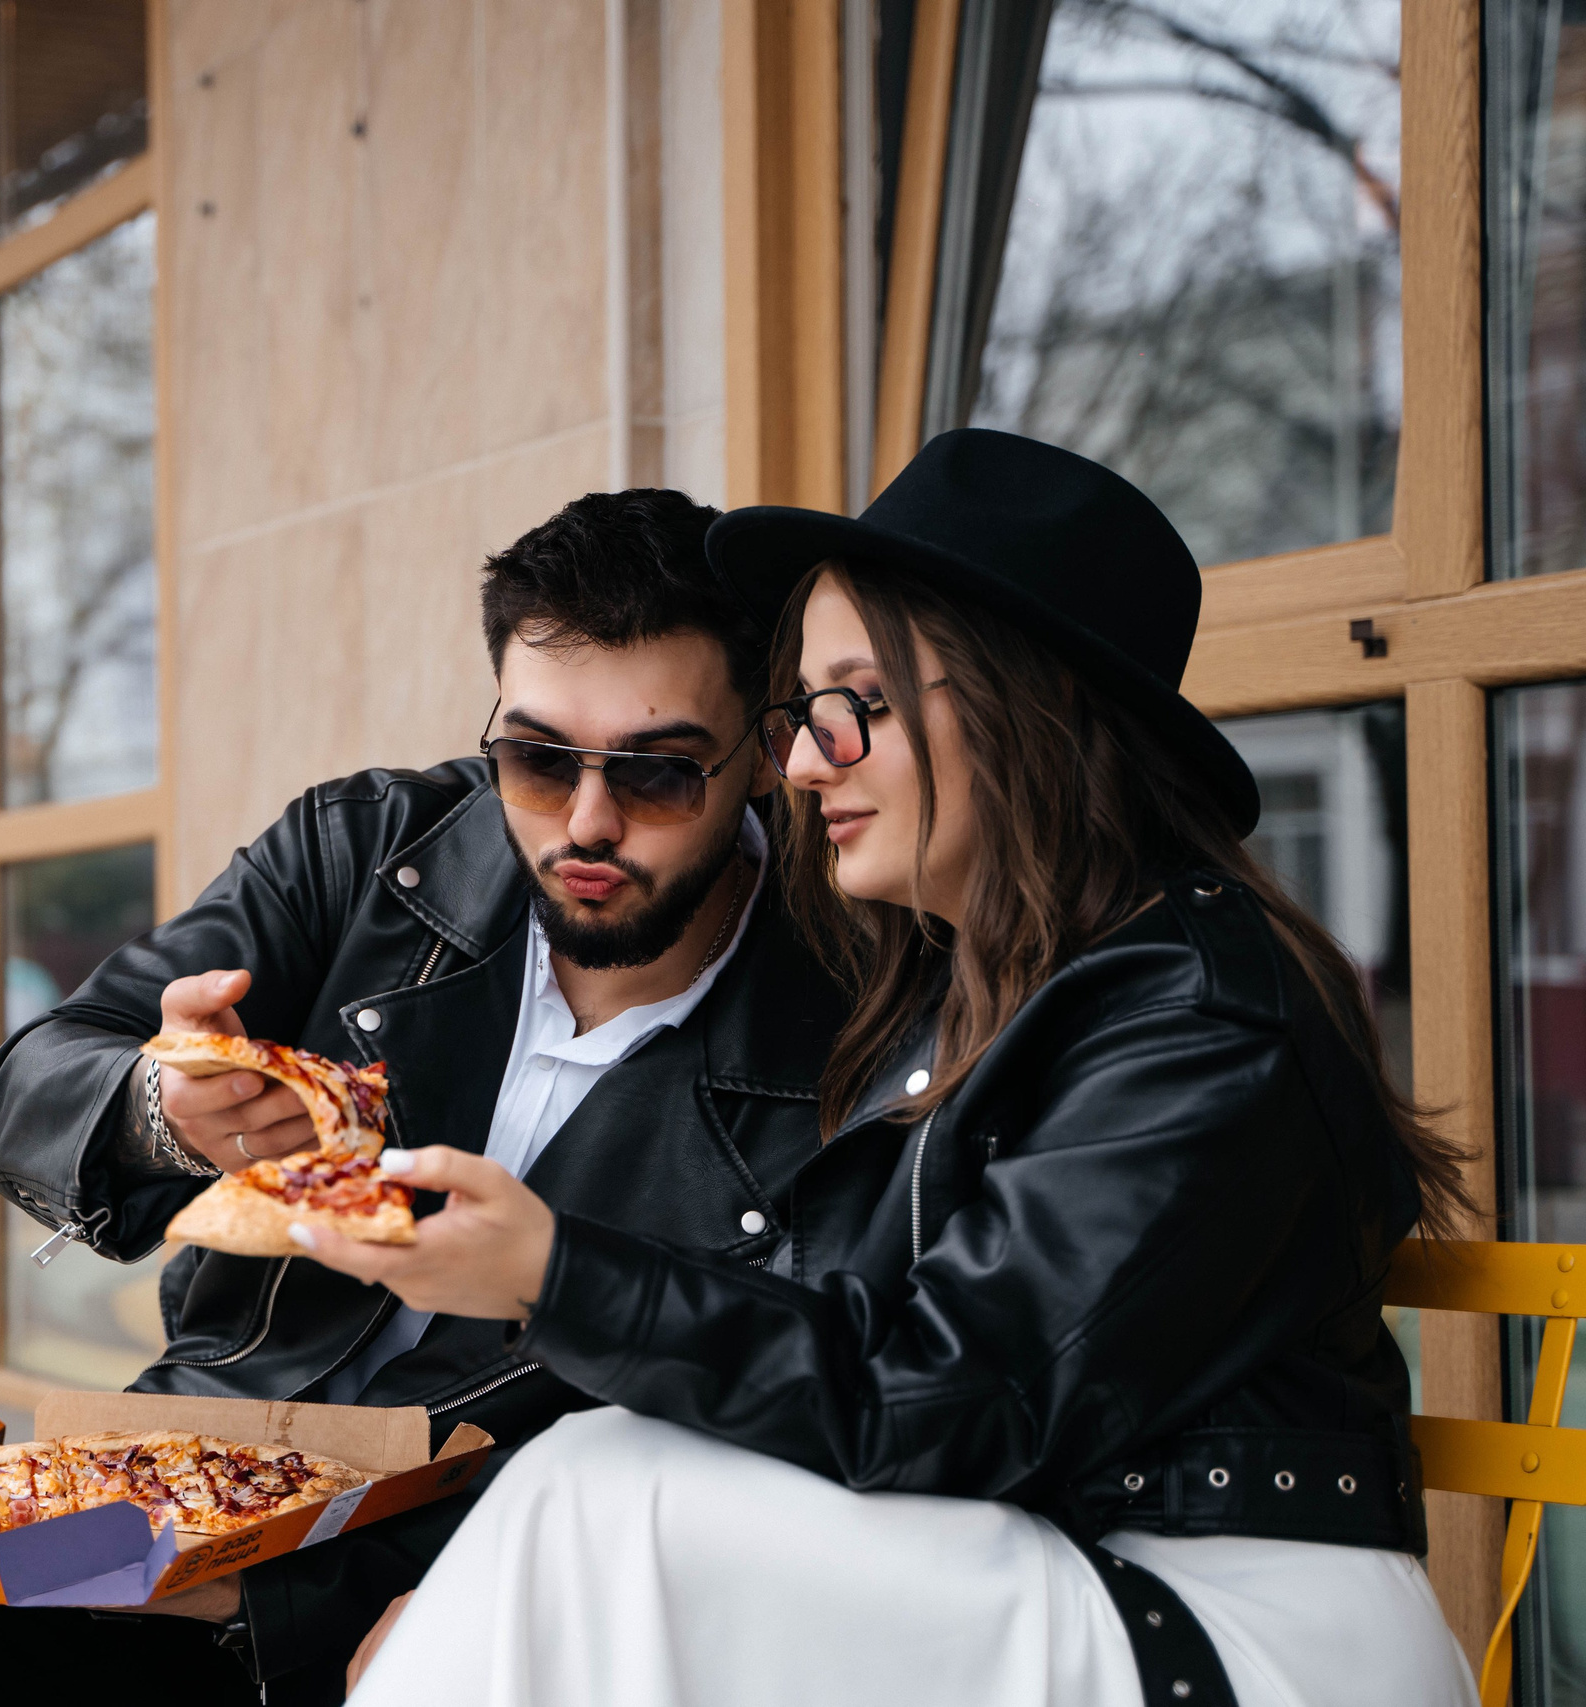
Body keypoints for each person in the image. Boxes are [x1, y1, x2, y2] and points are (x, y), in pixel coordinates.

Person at [309, 431, 1479, 1706]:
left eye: (854, 707)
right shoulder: (974, 999)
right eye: (801, 713)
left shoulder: (1200, 1017)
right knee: (580, 1494)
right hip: (1033, 1567)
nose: (803, 765)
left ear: (1018, 706)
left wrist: (552, 1271)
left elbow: (948, 1398)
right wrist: (488, 1592)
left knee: (600, 1500)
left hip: (1233, 1632)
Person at [0, 489, 850, 1707]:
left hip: (456, 1560)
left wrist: (324, 1592)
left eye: (659, 773)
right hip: (178, 1473)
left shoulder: (848, 1013)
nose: (586, 820)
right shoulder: (365, 849)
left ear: (764, 756)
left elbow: (775, 1410)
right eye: (535, 758)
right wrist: (163, 1106)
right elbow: (32, 1079)